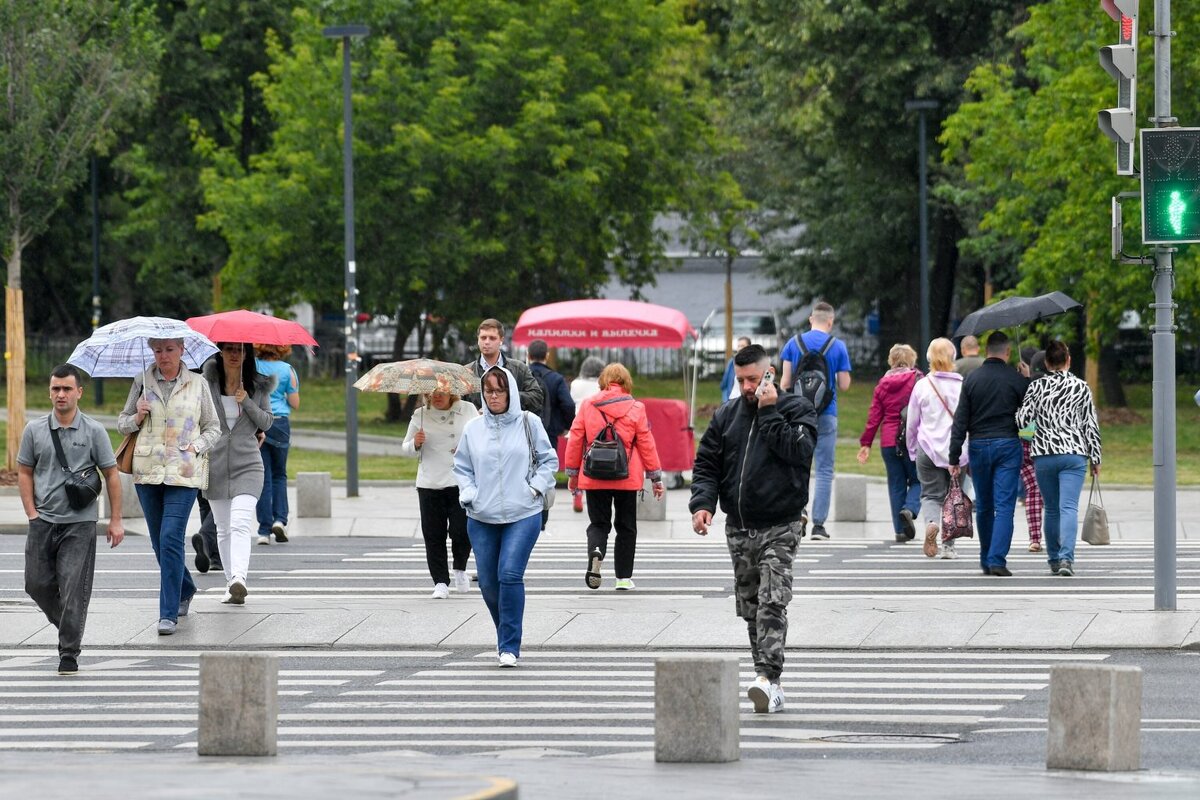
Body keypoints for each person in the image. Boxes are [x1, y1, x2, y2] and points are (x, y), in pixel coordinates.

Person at [689, 344, 817, 714]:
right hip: (740, 527)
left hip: (781, 524)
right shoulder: (727, 415)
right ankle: (765, 674)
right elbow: (707, 464)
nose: (747, 386)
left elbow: (800, 451)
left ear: (770, 374)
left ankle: (768, 678)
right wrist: (702, 504)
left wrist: (769, 411)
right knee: (751, 607)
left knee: (773, 600)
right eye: (742, 379)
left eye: (754, 379)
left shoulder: (797, 409)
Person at [18, 364, 125, 674]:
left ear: (79, 392)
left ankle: (69, 651)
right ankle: (70, 626)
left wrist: (115, 520)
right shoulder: (34, 429)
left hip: (79, 523)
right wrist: (31, 513)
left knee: (73, 586)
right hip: (42, 520)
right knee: (35, 584)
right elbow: (24, 472)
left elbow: (112, 475)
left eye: (66, 389)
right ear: (50, 392)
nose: (60, 394)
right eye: (55, 389)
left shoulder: (94, 431)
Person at [453, 365, 558, 667]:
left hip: (523, 512)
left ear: (511, 391)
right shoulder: (473, 428)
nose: (495, 396)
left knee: (509, 574)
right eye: (489, 391)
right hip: (482, 515)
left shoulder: (529, 422)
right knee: (488, 582)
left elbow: (548, 460)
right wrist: (469, 494)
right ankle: (505, 634)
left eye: (500, 390)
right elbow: (461, 467)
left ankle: (509, 645)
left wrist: (535, 489)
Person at [117, 337, 222, 635]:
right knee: (158, 542)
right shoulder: (142, 381)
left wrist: (197, 446)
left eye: (169, 349)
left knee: (171, 537)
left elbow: (213, 427)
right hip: (148, 471)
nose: (163, 356)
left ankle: (168, 613)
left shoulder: (198, 383)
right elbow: (122, 423)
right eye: (158, 350)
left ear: (181, 350)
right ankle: (186, 587)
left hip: (183, 471)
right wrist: (137, 415)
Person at [564, 363, 664, 591]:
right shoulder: (636, 407)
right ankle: (623, 578)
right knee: (626, 527)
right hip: (626, 477)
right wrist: (655, 477)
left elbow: (576, 438)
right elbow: (646, 444)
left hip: (594, 475)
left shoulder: (589, 405)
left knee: (599, 523)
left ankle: (596, 550)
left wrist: (572, 473)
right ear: (626, 383)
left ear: (603, 381)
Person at [1016, 341, 1102, 577]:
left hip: (1044, 455)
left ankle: (1053, 557)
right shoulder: (1081, 387)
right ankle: (1066, 558)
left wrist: (1028, 419)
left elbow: (1023, 422)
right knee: (1069, 508)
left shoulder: (1037, 387)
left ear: (1046, 363)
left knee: (1051, 509)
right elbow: (1090, 425)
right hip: (1074, 454)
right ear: (1068, 360)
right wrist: (1095, 457)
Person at [948, 331, 1030, 577]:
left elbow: (960, 420)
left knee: (983, 505)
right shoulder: (1015, 379)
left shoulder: (972, 379)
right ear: (1007, 352)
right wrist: (1026, 379)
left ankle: (985, 558)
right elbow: (1028, 416)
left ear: (986, 351)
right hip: (1007, 444)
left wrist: (954, 456)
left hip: (979, 445)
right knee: (1005, 505)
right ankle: (997, 559)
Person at [201, 343, 274, 604]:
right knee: (222, 528)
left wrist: (248, 403)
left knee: (240, 522)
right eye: (229, 349)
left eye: (239, 350)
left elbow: (267, 421)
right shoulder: (207, 383)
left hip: (248, 463)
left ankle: (239, 579)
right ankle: (230, 582)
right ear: (220, 352)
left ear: (247, 354)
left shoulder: (258, 384)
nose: (234, 354)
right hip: (215, 462)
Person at [779, 301, 851, 540]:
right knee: (824, 469)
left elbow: (786, 382)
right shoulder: (837, 346)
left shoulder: (793, 343)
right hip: (827, 413)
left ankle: (799, 511)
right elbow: (844, 384)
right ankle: (819, 526)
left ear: (811, 319)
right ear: (830, 321)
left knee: (798, 464)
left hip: (797, 413)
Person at [401, 387, 479, 598]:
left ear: (452, 392)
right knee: (433, 534)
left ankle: (460, 569)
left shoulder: (469, 410)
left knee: (462, 531)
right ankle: (440, 582)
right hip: (430, 482)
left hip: (460, 480)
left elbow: (481, 437)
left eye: (442, 392)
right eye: (432, 392)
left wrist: (467, 448)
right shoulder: (420, 415)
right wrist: (415, 444)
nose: (436, 396)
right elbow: (405, 447)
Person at [904, 338, 967, 559]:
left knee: (931, 495)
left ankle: (931, 523)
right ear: (954, 358)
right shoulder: (962, 386)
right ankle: (949, 547)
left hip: (927, 448)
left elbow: (912, 421)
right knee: (953, 498)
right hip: (956, 452)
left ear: (929, 358)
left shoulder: (922, 385)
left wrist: (912, 448)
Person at [857, 344, 922, 543]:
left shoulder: (882, 384)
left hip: (888, 441)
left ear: (891, 361)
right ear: (911, 360)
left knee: (896, 485)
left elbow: (874, 416)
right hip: (912, 439)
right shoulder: (918, 380)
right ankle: (910, 509)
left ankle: (900, 530)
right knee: (920, 480)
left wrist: (866, 443)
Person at [526, 339, 575, 531]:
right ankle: (542, 517)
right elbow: (568, 405)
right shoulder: (556, 379)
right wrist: (564, 426)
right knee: (545, 474)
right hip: (548, 433)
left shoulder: (522, 376)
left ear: (528, 356)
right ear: (546, 355)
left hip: (523, 432)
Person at [253, 344, 299, 545]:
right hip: (280, 423)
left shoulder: (252, 366)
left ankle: (263, 530)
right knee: (280, 474)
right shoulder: (287, 369)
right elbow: (295, 402)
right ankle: (280, 520)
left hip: (258, 422)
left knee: (263, 477)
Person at [464, 318, 543, 413]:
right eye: (483, 338)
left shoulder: (519, 368)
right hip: (478, 425)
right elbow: (459, 404)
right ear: (478, 339)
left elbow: (537, 397)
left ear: (501, 340)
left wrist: (508, 397)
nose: (487, 342)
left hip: (511, 425)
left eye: (492, 338)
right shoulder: (466, 372)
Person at [569, 356, 606, 512]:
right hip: (597, 427)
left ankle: (577, 491)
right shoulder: (602, 386)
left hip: (578, 424)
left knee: (578, 459)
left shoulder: (575, 384)